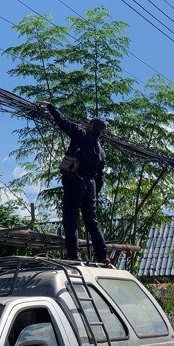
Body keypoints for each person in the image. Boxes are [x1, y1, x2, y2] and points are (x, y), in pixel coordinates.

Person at [42, 101, 109, 264]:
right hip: (91, 186)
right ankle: (103, 256)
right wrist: (93, 194)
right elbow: (100, 178)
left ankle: (73, 253)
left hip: (75, 181)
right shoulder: (101, 152)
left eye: (89, 121)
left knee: (70, 218)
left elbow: (63, 122)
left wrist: (51, 107)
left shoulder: (81, 134)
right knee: (92, 222)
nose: (87, 123)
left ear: (92, 125)